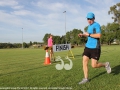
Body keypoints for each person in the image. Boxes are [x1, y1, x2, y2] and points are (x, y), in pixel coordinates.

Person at [78, 12, 111, 84]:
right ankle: (86, 79)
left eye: (90, 19)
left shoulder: (97, 25)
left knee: (94, 65)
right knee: (84, 61)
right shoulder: (89, 26)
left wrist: (89, 34)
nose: (89, 20)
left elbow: (99, 35)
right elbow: (88, 34)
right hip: (88, 46)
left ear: (94, 18)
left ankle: (106, 64)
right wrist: (83, 35)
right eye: (88, 19)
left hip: (95, 47)